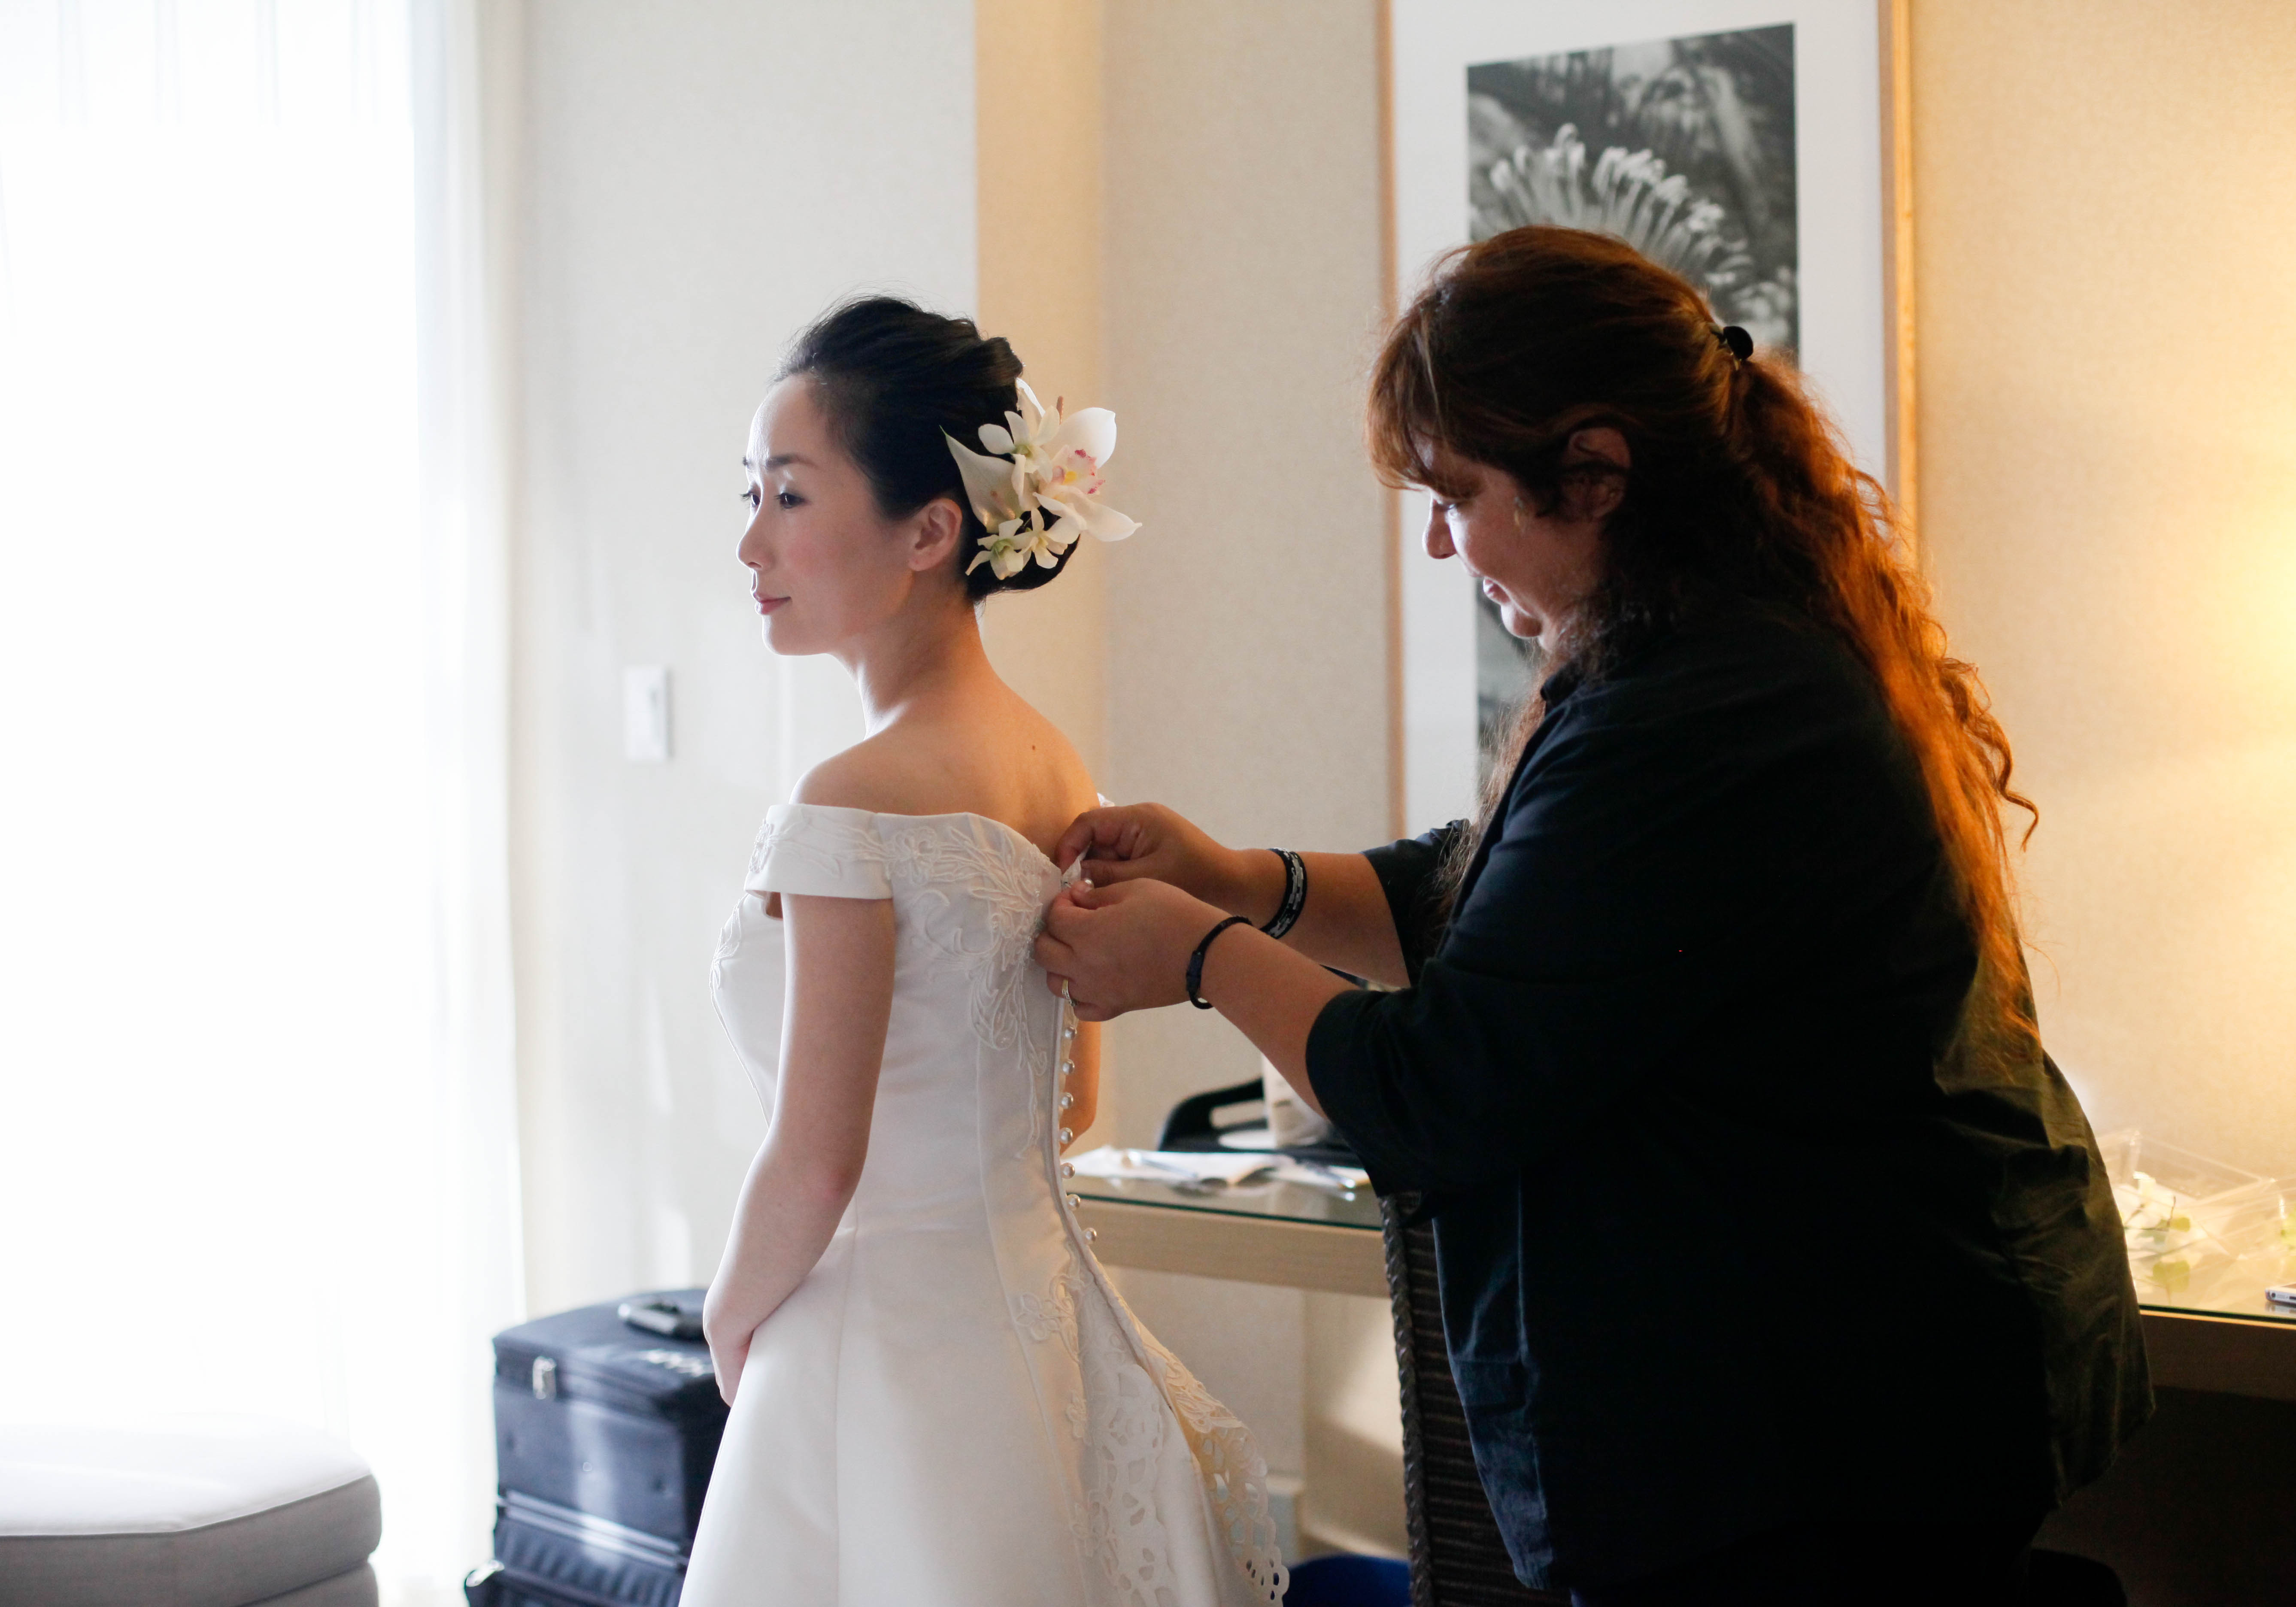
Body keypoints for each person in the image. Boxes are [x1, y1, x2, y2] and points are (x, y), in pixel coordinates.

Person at [1035, 227, 2150, 1605]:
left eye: (1458, 496)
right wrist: (1246, 880)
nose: (1440, 543)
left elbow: (1449, 1085)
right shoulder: (1692, 651)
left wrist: (1204, 958)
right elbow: (1498, 895)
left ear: (1596, 474)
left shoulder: (1709, 709)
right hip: (1823, 1394)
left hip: (1829, 1421)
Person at [684, 297, 1286, 1607]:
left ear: (930, 530)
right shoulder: (1053, 764)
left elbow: (816, 1157)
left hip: (880, 1358)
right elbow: (1068, 1104)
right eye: (751, 493)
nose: (751, 541)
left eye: (789, 494)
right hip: (1044, 1337)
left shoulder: (850, 800)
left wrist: (728, 1322)